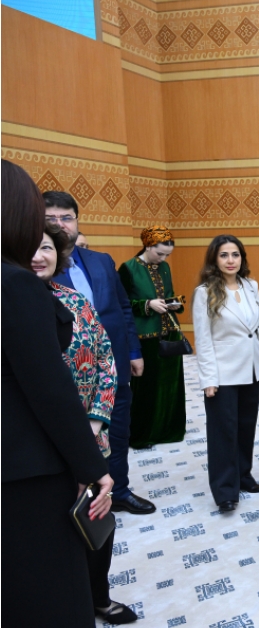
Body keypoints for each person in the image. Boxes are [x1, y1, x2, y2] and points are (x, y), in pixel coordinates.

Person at [2, 159, 113, 628]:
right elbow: (47, 388)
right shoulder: (14, 285)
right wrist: (91, 465)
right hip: (27, 469)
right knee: (47, 595)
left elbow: (103, 356)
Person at [33, 225, 140, 626]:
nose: (38, 256)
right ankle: (62, 611)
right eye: (29, 248)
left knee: (95, 522)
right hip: (39, 445)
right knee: (50, 531)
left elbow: (105, 363)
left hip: (92, 438)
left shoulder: (75, 301)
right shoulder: (13, 305)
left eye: (46, 248)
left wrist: (94, 424)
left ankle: (98, 597)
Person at [45, 191, 156, 516]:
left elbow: (123, 308)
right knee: (75, 439)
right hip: (69, 373)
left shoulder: (101, 260)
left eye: (66, 217)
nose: (60, 224)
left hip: (114, 366)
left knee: (118, 433)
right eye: (51, 218)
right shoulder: (37, 266)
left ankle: (119, 492)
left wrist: (133, 351)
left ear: (77, 221)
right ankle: (80, 502)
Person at [193, 235, 259, 513]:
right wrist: (208, 379)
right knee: (223, 432)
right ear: (214, 259)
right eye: (224, 255)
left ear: (242, 258)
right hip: (223, 372)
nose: (231, 260)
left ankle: (243, 475)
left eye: (235, 255)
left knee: (245, 426)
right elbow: (203, 339)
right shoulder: (205, 292)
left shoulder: (251, 286)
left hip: (251, 368)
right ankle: (225, 490)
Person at [117, 226, 186, 448]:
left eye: (167, 255)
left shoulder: (164, 267)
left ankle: (168, 431)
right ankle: (142, 435)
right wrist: (147, 305)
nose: (163, 259)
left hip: (169, 333)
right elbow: (121, 303)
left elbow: (167, 294)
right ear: (147, 246)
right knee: (147, 387)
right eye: (160, 253)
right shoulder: (128, 268)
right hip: (144, 336)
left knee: (170, 384)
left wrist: (174, 302)